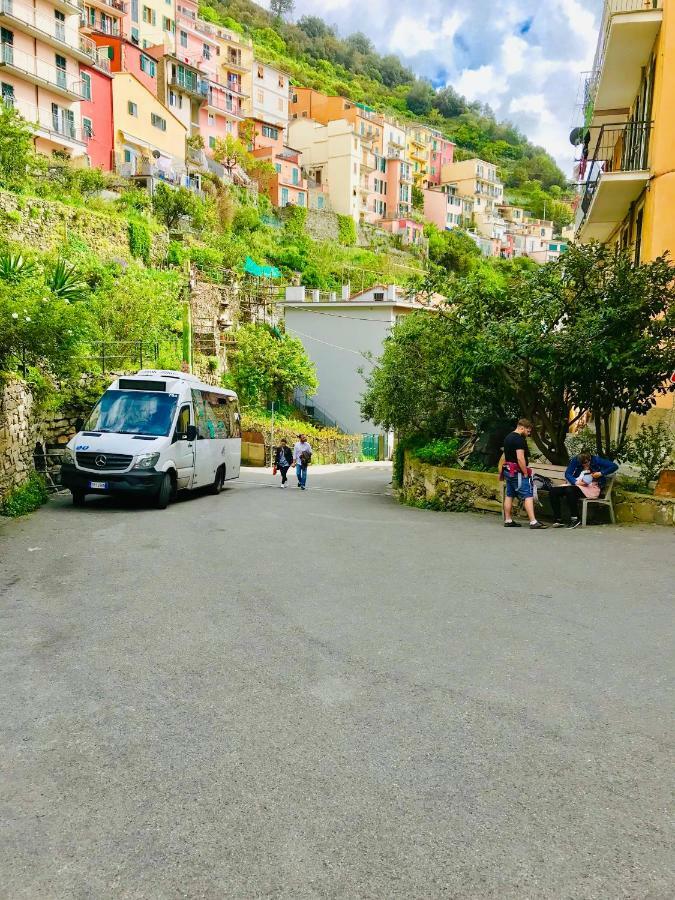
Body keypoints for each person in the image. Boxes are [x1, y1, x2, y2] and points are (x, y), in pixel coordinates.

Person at [549, 451, 618, 528]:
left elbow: (614, 466)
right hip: (577, 484)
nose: (584, 464)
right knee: (553, 491)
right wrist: (575, 482)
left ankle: (575, 518)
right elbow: (568, 473)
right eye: (581, 463)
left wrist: (601, 473)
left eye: (585, 462)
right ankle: (558, 519)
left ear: (590, 459)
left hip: (591, 487)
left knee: (570, 490)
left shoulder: (597, 460)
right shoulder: (575, 460)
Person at [501, 419, 547, 530]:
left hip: (508, 470)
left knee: (509, 494)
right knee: (528, 494)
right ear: (522, 427)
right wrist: (525, 472)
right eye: (528, 431)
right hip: (517, 472)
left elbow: (504, 456)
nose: (529, 434)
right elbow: (520, 458)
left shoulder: (508, 437)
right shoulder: (519, 440)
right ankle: (533, 521)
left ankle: (508, 519)